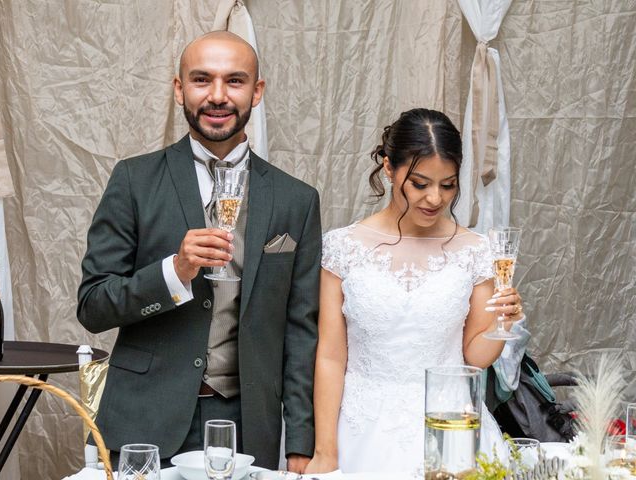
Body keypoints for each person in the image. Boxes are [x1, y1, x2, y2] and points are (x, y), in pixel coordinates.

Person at [77, 31, 320, 472]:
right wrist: (174, 270)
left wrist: (301, 439)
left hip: (248, 422)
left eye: (235, 81)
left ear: (257, 91)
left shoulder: (297, 200)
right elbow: (93, 306)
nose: (218, 96)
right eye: (202, 80)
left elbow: (301, 330)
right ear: (179, 89)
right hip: (145, 419)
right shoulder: (133, 180)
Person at [305, 108, 524, 474]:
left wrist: (503, 322)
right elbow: (330, 356)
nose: (435, 199)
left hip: (451, 424)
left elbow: (476, 358)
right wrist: (325, 452)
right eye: (420, 184)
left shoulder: (476, 251)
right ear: (389, 168)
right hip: (363, 427)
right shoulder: (343, 247)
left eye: (448, 184)